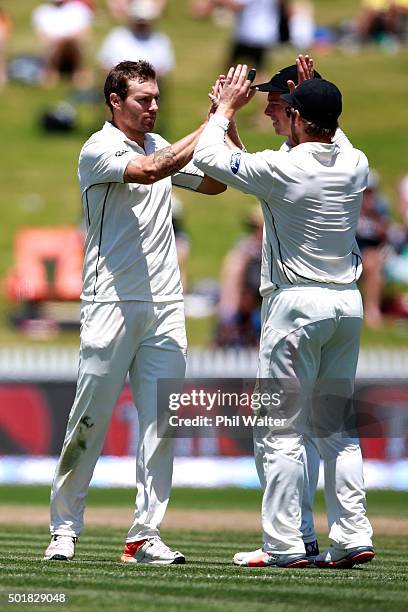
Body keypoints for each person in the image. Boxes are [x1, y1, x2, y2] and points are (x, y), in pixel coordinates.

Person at [43, 59, 225, 565]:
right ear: (114, 102)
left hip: (165, 306)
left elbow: (214, 184)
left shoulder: (158, 142)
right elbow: (151, 171)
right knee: (89, 421)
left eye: (156, 98)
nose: (152, 107)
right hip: (111, 304)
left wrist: (222, 124)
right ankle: (64, 528)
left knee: (161, 425)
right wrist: (209, 124)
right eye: (143, 99)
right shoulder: (98, 148)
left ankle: (145, 535)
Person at [193, 65, 374, 568]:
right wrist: (313, 95)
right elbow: (331, 126)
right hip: (346, 305)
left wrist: (226, 108)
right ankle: (352, 536)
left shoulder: (286, 168)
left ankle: (285, 545)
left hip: (296, 306)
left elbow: (211, 157)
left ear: (295, 117)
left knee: (281, 431)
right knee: (336, 429)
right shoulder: (355, 162)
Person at [32, 0, 94, 87]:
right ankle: (53, 71)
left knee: (70, 43)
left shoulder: (79, 9)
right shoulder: (42, 11)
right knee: (60, 44)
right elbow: (42, 38)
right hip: (53, 49)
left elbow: (84, 35)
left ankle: (77, 72)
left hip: (73, 47)